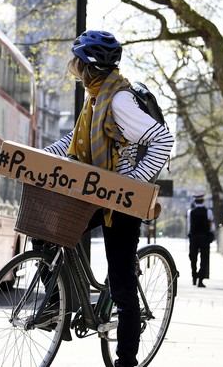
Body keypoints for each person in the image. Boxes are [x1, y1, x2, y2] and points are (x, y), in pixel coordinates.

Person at [43, 30, 174, 367]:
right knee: (45, 231)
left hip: (122, 201)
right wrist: (39, 158)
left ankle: (126, 361)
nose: (72, 67)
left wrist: (131, 182)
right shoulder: (95, 99)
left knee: (121, 280)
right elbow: (74, 140)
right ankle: (56, 307)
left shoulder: (118, 100)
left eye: (75, 62)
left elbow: (162, 139)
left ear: (87, 65)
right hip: (95, 191)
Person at [187, 192, 213, 288]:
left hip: (193, 237)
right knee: (204, 258)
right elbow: (210, 224)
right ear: (203, 200)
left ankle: (194, 277)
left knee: (193, 258)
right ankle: (200, 280)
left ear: (195, 200)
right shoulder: (208, 211)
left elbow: (189, 226)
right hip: (204, 237)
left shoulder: (191, 212)